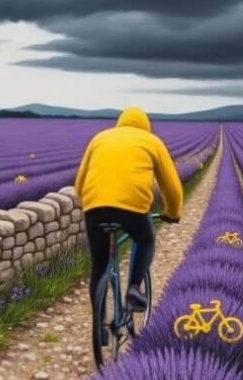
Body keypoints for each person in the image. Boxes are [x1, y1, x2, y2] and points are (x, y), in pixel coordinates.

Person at [73, 107, 183, 328]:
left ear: (120, 123)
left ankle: (99, 327)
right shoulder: (152, 141)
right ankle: (134, 288)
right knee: (145, 240)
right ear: (146, 125)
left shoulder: (99, 139)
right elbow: (172, 188)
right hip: (133, 209)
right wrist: (173, 213)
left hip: (95, 208)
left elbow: (79, 184)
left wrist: (92, 205)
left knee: (99, 266)